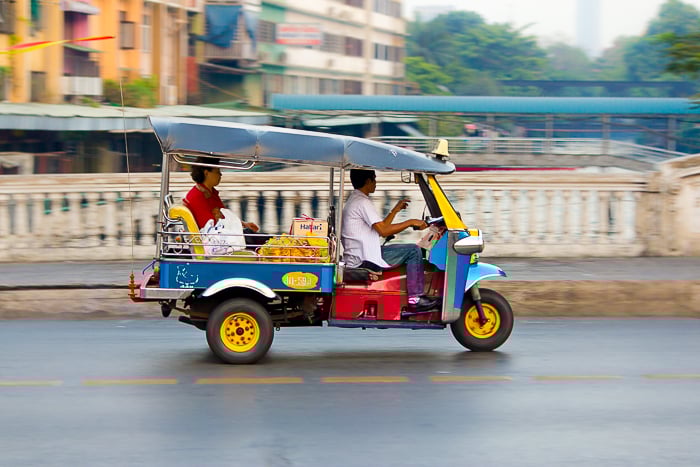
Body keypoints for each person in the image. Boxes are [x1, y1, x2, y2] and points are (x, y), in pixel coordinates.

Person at [341, 169, 440, 312]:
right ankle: (415, 298)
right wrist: (410, 222)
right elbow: (384, 231)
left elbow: (381, 228)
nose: (376, 182)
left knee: (408, 249)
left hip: (365, 253)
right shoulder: (362, 202)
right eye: (374, 179)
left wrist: (395, 210)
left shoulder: (357, 200)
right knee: (414, 251)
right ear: (368, 181)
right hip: (365, 258)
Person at [183, 156, 267, 247]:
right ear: (206, 173)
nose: (220, 175)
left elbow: (224, 216)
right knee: (259, 239)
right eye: (217, 172)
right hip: (216, 241)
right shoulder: (197, 196)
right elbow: (211, 225)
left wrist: (243, 224)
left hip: (222, 235)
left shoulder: (211, 193)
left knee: (258, 236)